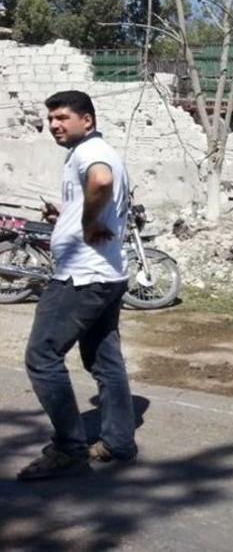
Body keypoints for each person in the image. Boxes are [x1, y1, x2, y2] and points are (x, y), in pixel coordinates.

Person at [19, 90, 137, 481]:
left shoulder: (91, 154)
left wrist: (86, 223)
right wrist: (68, 213)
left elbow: (101, 182)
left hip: (81, 277)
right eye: (50, 119)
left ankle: (69, 449)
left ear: (87, 120)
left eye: (62, 118)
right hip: (108, 273)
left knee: (42, 357)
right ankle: (118, 442)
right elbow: (99, 191)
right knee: (105, 361)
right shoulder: (92, 152)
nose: (54, 125)